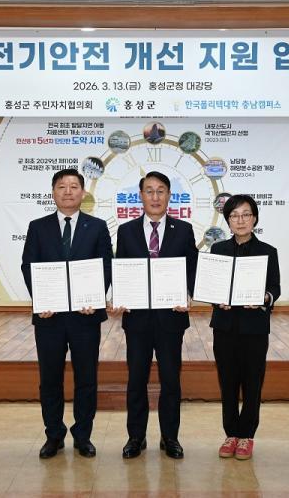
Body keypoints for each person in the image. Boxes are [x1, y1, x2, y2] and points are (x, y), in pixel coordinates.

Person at [21, 168, 113, 459]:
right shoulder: (38, 227)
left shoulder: (97, 227)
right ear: (53, 192)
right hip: (49, 317)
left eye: (74, 186)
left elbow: (106, 265)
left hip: (85, 316)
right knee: (50, 379)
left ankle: (83, 435)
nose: (68, 191)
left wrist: (95, 298)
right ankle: (54, 435)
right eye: (62, 186)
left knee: (86, 378)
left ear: (83, 193)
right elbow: (28, 265)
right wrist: (41, 300)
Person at [111, 171, 198, 460]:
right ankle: (136, 437)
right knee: (136, 379)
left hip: (171, 318)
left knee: (171, 380)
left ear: (169, 196)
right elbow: (121, 269)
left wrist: (188, 294)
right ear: (141, 196)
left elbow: (192, 269)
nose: (155, 196)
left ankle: (169, 437)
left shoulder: (183, 230)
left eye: (161, 191)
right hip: (137, 319)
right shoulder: (126, 231)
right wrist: (119, 296)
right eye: (149, 191)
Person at [209, 194, 280, 461]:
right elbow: (213, 286)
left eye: (246, 214)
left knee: (252, 383)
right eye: (234, 215)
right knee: (227, 382)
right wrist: (217, 299)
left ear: (255, 218)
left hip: (254, 329)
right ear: (228, 221)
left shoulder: (268, 251)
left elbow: (274, 287)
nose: (240, 220)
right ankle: (231, 434)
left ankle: (247, 435)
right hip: (225, 327)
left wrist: (263, 298)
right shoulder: (218, 250)